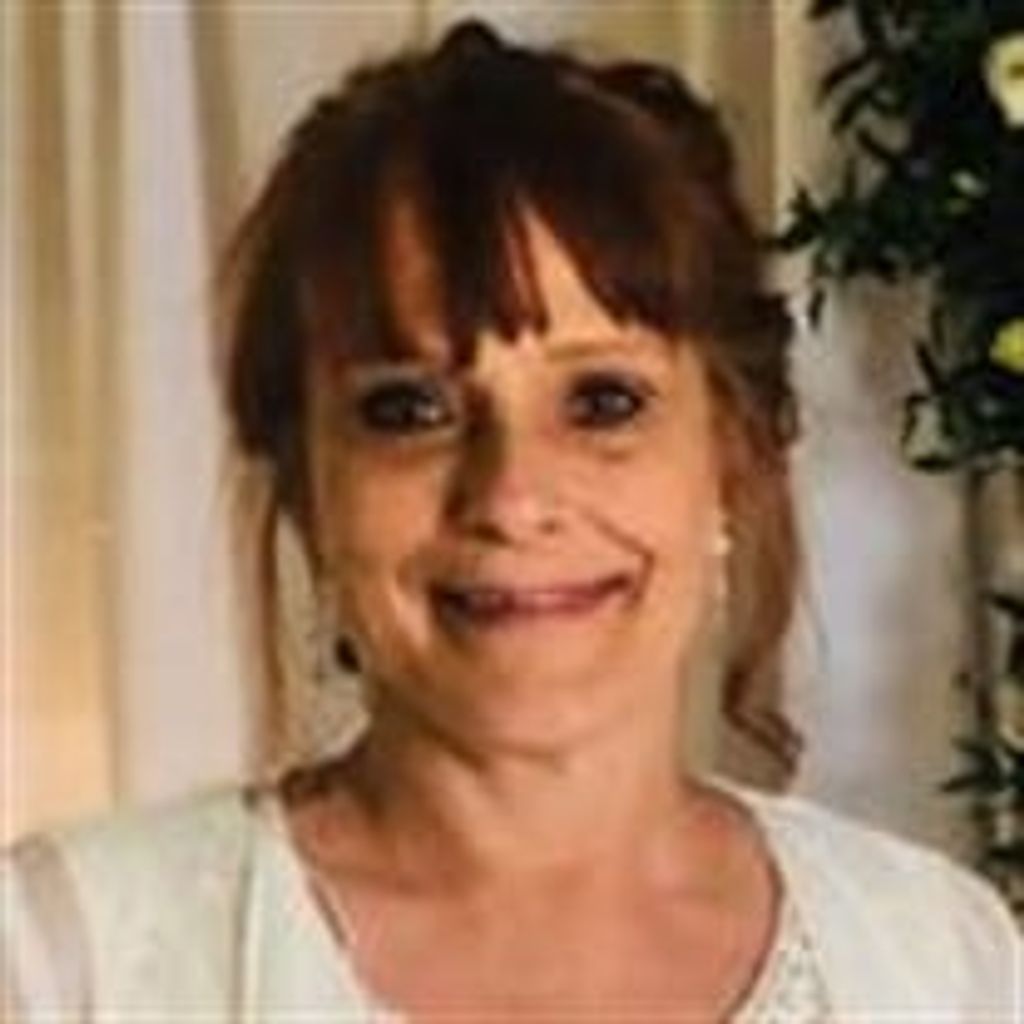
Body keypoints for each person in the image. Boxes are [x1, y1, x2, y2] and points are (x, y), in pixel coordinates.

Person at [3, 19, 1020, 1022]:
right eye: (410, 409)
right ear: (308, 484)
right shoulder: (61, 964)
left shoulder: (943, 962)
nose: (511, 497)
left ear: (730, 452)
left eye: (604, 401)